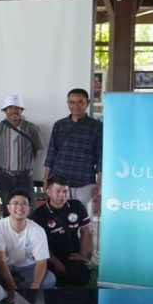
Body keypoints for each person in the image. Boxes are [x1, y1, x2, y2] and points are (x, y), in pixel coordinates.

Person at [44, 88, 103, 220]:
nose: (76, 106)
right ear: (68, 103)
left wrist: (99, 185)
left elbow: (101, 158)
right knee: (58, 220)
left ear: (87, 103)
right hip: (59, 180)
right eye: (72, 102)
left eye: (80, 102)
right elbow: (51, 153)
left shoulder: (97, 127)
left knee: (83, 221)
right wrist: (46, 179)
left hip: (84, 182)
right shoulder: (59, 125)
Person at [0, 189, 56, 303]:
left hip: (28, 268)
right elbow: (0, 261)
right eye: (15, 203)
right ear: (8, 207)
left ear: (29, 209)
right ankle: (13, 288)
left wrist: (34, 288)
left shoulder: (37, 230)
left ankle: (13, 291)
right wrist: (11, 289)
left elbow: (41, 262)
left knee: (49, 279)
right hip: (5, 267)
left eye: (24, 204)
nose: (20, 207)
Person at [31, 175, 92, 285]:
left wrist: (82, 256)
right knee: (50, 279)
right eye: (58, 191)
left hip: (72, 256)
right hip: (48, 258)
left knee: (80, 278)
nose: (62, 195)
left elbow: (86, 232)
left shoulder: (77, 206)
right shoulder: (38, 215)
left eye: (65, 191)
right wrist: (57, 264)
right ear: (48, 192)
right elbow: (38, 245)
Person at [0, 94, 45, 213]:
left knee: (28, 208)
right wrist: (2, 164)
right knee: (8, 208)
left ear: (21, 110)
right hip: (5, 176)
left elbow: (39, 150)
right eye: (9, 108)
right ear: (5, 111)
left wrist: (26, 163)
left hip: (25, 176)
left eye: (17, 108)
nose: (13, 111)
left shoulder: (32, 129)